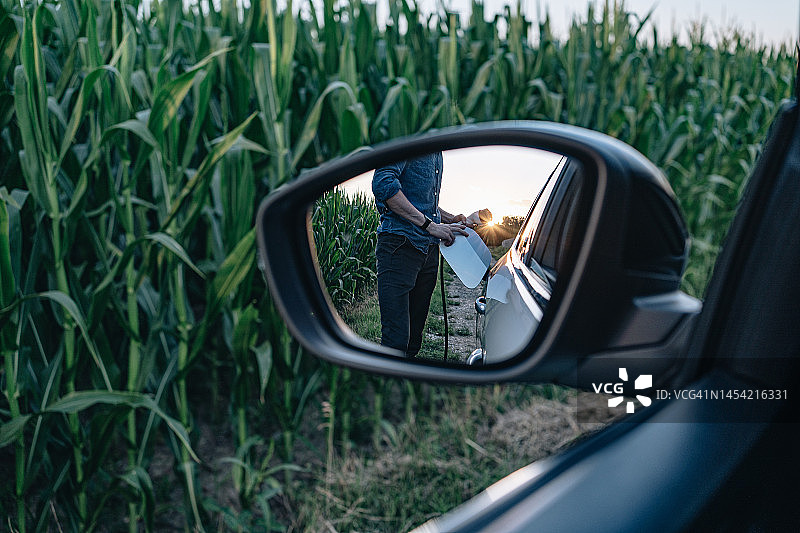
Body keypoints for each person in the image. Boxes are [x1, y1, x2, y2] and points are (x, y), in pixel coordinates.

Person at [371, 152, 473, 357]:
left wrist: (450, 218)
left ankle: (405, 385)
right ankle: (390, 385)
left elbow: (421, 203)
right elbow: (383, 183)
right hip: (399, 246)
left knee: (414, 339)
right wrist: (430, 226)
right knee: (396, 340)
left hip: (428, 251)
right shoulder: (409, 136)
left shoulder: (436, 153)